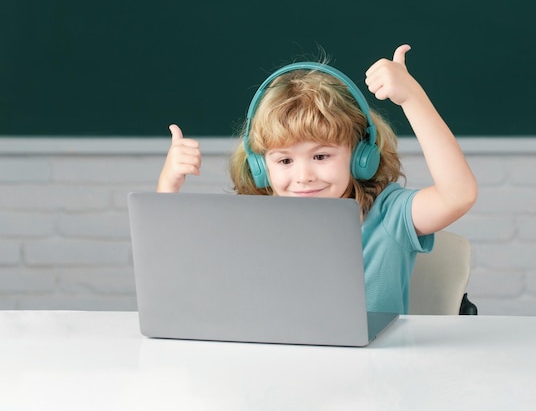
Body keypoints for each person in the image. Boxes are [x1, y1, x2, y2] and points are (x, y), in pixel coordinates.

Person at [157, 44, 478, 314]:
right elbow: (176, 267)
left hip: (374, 379)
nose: (304, 176)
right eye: (284, 160)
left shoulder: (390, 216)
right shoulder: (250, 223)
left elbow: (457, 195)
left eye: (321, 156)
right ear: (260, 167)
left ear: (359, 156)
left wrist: (412, 98)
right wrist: (168, 187)